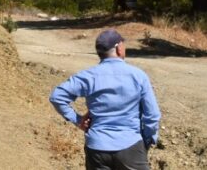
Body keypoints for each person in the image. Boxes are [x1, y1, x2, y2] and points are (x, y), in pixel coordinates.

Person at [49, 29, 161, 170]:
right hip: (131, 145)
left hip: (97, 148)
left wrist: (78, 121)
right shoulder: (138, 76)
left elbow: (57, 96)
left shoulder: (88, 76)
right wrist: (147, 140)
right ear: (119, 48)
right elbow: (152, 115)